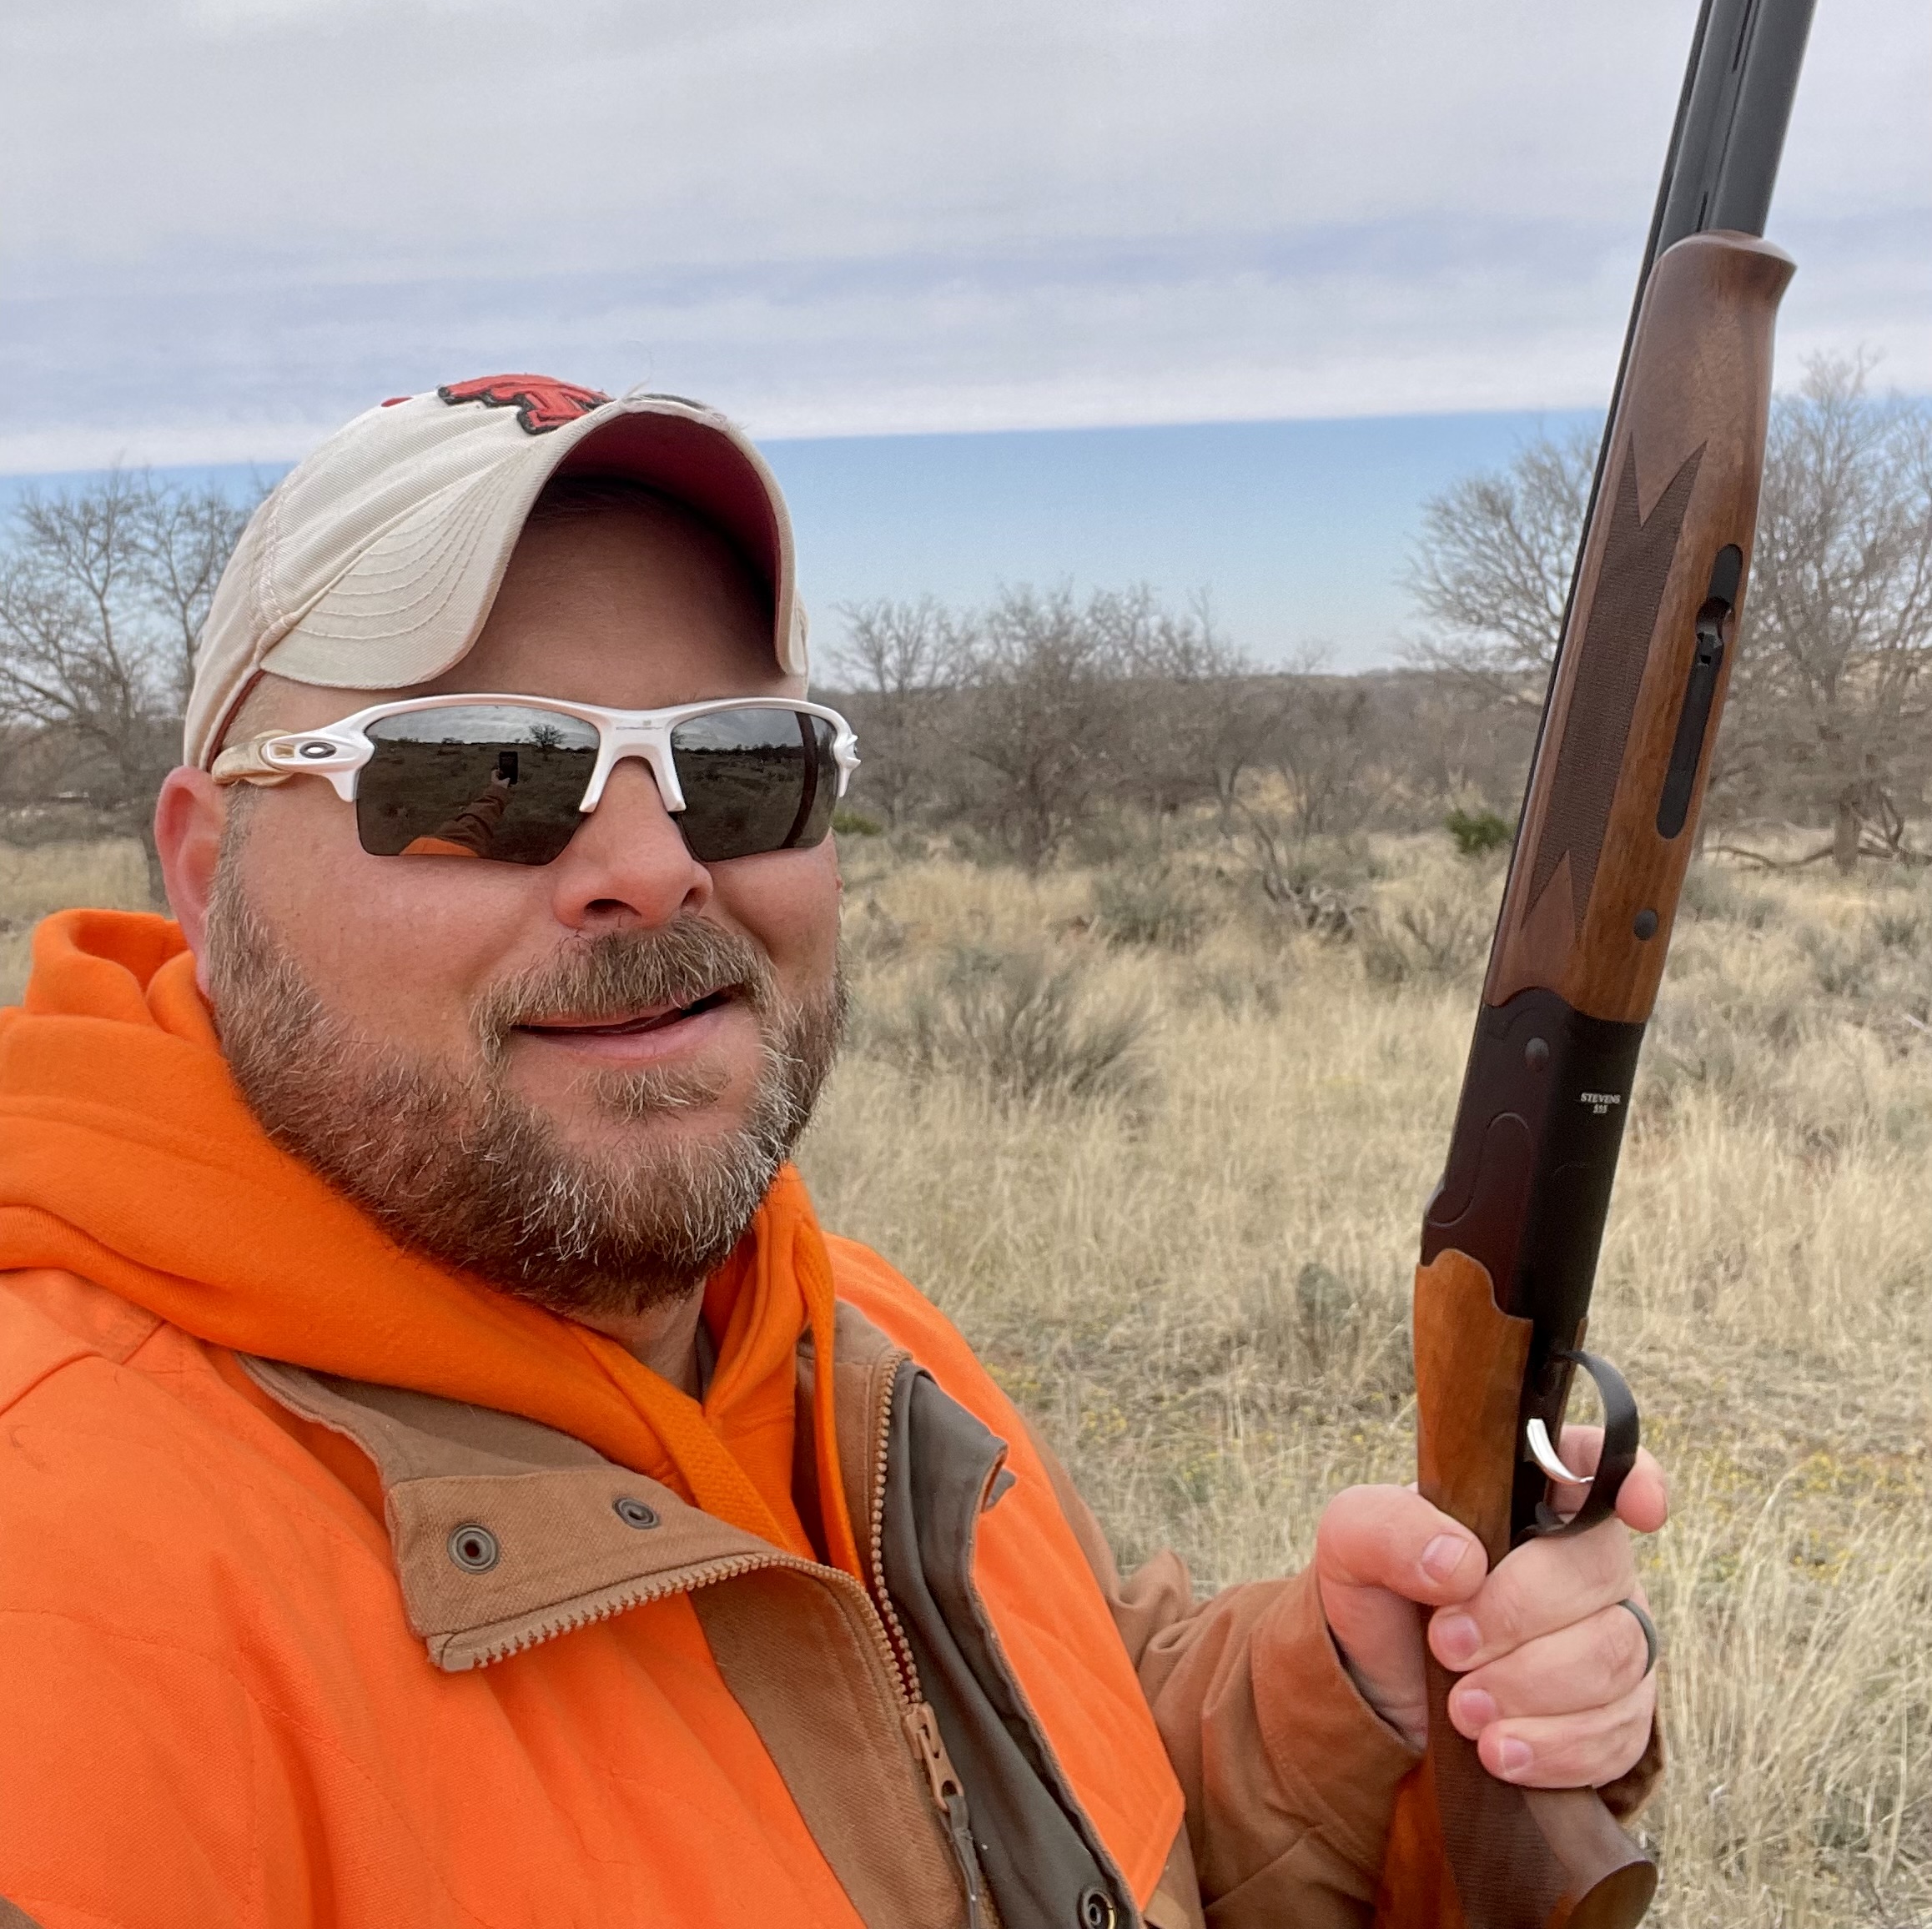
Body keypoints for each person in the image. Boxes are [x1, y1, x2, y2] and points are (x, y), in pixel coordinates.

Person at [0, 375, 1663, 1929]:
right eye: (489, 772)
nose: (653, 865)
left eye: (739, 768)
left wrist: (1348, 1701)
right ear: (205, 873)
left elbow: (1045, 1777)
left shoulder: (854, 1339)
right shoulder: (64, 1563)